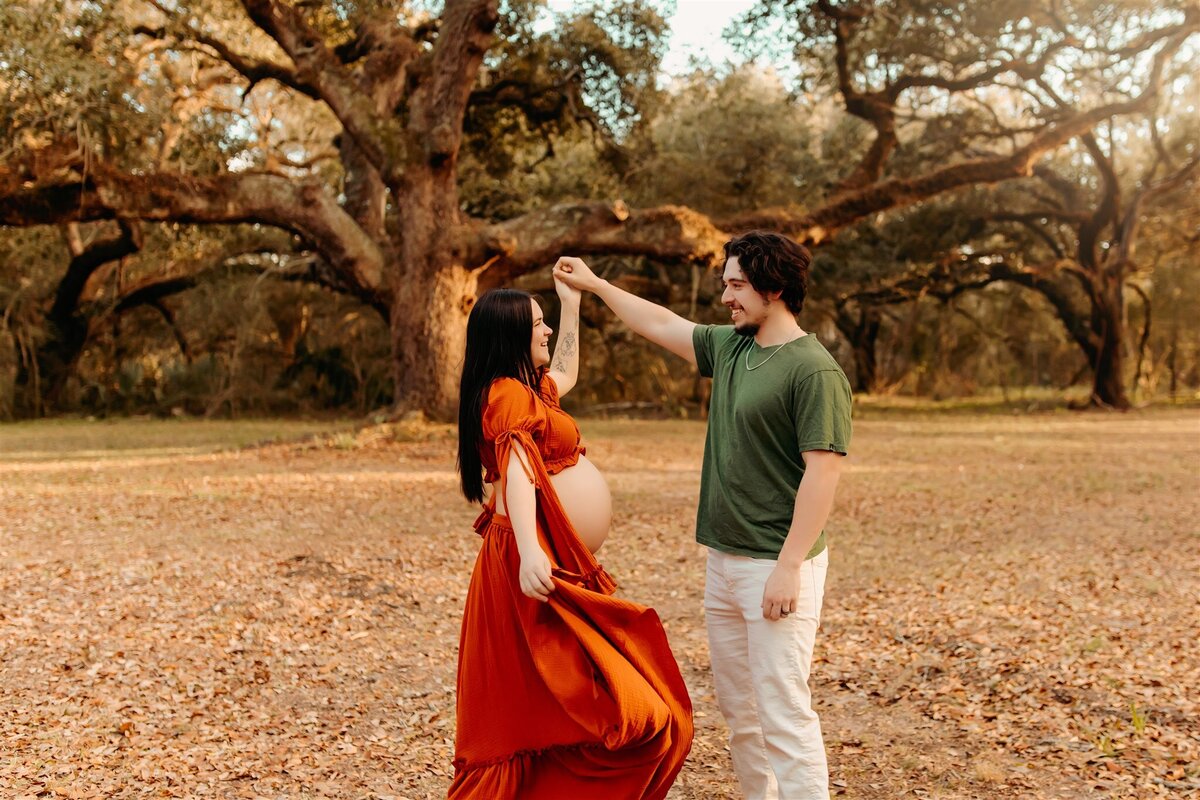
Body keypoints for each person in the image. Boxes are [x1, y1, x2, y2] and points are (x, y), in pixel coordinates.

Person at [554, 230, 852, 800]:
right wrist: (594, 285)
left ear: (777, 289)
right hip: (724, 561)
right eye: (725, 285)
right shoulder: (735, 346)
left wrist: (788, 567)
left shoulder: (814, 371)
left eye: (737, 285)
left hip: (776, 566)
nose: (726, 298)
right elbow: (661, 323)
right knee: (742, 715)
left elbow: (823, 474)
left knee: (783, 713)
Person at [449, 279, 693, 800]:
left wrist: (573, 302)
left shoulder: (530, 389)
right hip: (528, 565)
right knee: (573, 695)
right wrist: (533, 553)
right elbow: (517, 472)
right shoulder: (506, 393)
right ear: (512, 333)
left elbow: (568, 371)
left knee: (558, 696)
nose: (548, 330)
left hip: (548, 561)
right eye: (539, 323)